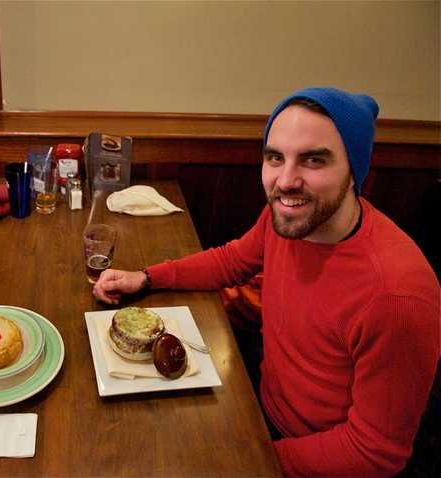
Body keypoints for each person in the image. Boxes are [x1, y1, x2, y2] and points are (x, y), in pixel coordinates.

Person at [93, 87, 440, 477]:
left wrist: (250, 459)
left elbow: (373, 453)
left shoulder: (397, 295)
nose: (286, 181)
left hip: (312, 457)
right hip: (259, 409)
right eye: (275, 157)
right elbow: (231, 260)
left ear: (355, 170)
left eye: (313, 160)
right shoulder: (287, 219)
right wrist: (146, 277)